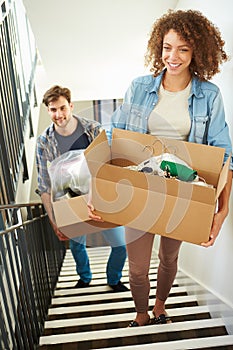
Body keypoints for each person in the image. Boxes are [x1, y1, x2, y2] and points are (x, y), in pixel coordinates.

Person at [89, 9, 233, 325]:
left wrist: (221, 212)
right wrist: (95, 191)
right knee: (138, 266)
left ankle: (159, 307)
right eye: (168, 47)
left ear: (197, 51)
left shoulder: (209, 96)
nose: (173, 56)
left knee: (169, 258)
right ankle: (141, 313)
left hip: (183, 191)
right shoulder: (139, 87)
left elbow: (224, 156)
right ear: (159, 47)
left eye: (183, 48)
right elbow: (115, 140)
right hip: (140, 186)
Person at [36, 85, 128, 292]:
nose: (58, 115)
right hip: (69, 200)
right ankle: (84, 277)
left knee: (121, 245)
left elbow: (107, 166)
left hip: (100, 195)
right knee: (77, 245)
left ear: (71, 106)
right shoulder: (44, 141)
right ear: (48, 110)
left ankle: (114, 279)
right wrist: (54, 221)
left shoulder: (93, 129)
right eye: (52, 110)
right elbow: (44, 185)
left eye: (62, 108)